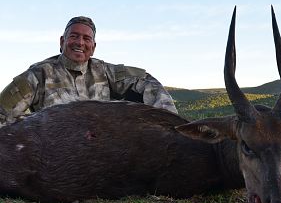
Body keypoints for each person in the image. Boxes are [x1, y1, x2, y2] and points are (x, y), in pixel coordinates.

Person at [0, 16, 177, 124]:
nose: (80, 43)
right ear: (62, 42)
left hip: (102, 153)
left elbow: (147, 81)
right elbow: (2, 112)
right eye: (74, 36)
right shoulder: (38, 75)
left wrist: (171, 124)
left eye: (86, 38)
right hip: (53, 159)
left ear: (93, 47)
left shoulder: (105, 71)